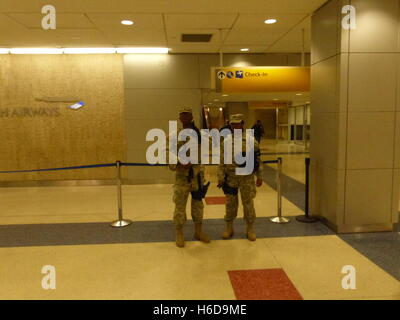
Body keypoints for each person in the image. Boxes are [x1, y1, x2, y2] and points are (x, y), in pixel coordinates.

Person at [168, 107, 210, 248]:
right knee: (180, 206)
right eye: (182, 115)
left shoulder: (200, 135)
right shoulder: (174, 136)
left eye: (187, 115)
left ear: (191, 117)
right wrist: (179, 161)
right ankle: (179, 233)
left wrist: (194, 160)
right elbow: (167, 155)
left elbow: (206, 153)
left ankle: (198, 231)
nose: (185, 117)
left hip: (197, 176)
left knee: (198, 205)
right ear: (180, 118)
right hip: (182, 177)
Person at [217, 114, 263, 241]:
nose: (235, 126)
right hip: (231, 177)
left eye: (238, 124)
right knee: (230, 203)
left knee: (248, 203)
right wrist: (220, 176)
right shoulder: (225, 142)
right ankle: (229, 227)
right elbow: (221, 161)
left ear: (242, 124)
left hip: (246, 177)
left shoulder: (251, 140)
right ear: (230, 125)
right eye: (233, 124)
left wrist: (259, 176)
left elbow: (258, 160)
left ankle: (250, 228)